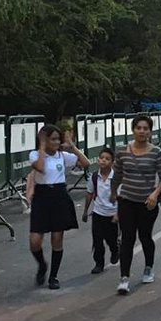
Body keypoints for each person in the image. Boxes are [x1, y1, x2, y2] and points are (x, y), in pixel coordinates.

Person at [112, 114, 161, 294]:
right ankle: (124, 278)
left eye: (145, 128)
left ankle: (148, 267)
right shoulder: (122, 151)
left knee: (145, 236)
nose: (142, 131)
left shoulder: (156, 152)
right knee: (127, 238)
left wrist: (155, 193)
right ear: (133, 130)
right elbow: (117, 174)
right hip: (127, 200)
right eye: (139, 128)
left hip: (147, 203)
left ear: (150, 131)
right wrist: (113, 193)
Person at [28, 124, 89, 289]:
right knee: (34, 241)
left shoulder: (62, 156)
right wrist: (42, 145)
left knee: (57, 238)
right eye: (51, 139)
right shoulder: (35, 154)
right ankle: (42, 265)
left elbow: (85, 163)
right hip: (42, 197)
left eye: (57, 139)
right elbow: (39, 168)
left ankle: (53, 276)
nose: (55, 142)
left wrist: (73, 147)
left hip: (59, 196)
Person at [82, 146, 119, 274]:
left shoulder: (116, 178)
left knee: (111, 239)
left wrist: (117, 214)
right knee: (97, 240)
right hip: (98, 213)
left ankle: (115, 251)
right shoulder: (94, 177)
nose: (103, 161)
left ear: (112, 162)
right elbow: (89, 193)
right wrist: (85, 211)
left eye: (107, 159)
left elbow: (122, 197)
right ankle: (99, 263)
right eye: (101, 158)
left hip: (112, 214)